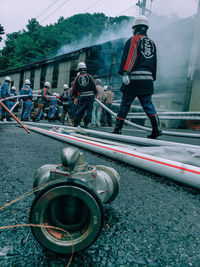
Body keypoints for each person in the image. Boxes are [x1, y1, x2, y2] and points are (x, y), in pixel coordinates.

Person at [111, 15, 162, 139]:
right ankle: (157, 129)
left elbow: (131, 55)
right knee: (148, 104)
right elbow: (154, 62)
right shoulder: (152, 43)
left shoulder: (135, 39)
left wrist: (125, 72)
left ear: (135, 28)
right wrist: (152, 78)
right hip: (148, 79)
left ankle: (117, 129)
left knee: (125, 104)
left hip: (134, 79)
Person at [71, 62, 98, 128]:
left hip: (83, 96)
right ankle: (86, 123)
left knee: (80, 110)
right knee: (89, 110)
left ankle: (76, 123)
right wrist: (95, 93)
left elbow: (74, 88)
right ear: (85, 69)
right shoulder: (89, 76)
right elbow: (94, 85)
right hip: (91, 96)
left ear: (79, 69)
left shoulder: (77, 78)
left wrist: (75, 97)